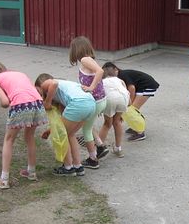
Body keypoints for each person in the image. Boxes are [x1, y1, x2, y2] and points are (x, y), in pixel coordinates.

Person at [0, 61, 47, 189]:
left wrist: (3, 102)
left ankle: (4, 179)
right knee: (29, 137)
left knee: (9, 140)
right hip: (37, 104)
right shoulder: (19, 73)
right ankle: (31, 172)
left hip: (21, 105)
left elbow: (5, 102)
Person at [35, 74, 96, 177]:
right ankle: (78, 166)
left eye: (37, 91)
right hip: (90, 104)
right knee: (70, 134)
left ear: (40, 85)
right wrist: (50, 130)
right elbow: (63, 119)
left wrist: (47, 102)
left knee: (62, 135)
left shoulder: (47, 83)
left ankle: (68, 167)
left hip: (78, 103)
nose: (39, 95)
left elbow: (53, 83)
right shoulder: (64, 91)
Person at [69, 36, 109, 169]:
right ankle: (100, 146)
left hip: (95, 101)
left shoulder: (86, 59)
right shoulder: (86, 60)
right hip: (99, 100)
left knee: (86, 129)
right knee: (89, 126)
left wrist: (91, 87)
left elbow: (100, 71)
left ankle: (93, 159)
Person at [102, 62, 159, 142]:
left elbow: (131, 88)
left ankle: (140, 133)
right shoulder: (117, 77)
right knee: (131, 110)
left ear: (116, 69)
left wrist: (129, 103)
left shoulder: (122, 75)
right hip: (141, 86)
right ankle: (136, 126)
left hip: (147, 86)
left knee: (131, 109)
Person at [98, 72, 130, 158]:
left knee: (107, 124)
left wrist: (98, 109)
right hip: (123, 98)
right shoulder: (120, 80)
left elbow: (99, 94)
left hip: (110, 99)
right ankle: (118, 149)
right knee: (117, 122)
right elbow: (127, 94)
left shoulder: (101, 81)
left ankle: (98, 150)